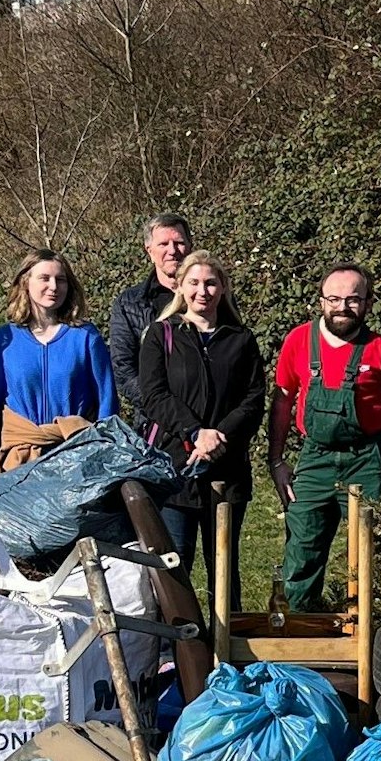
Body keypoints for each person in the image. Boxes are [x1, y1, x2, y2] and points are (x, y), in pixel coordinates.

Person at [268, 263, 381, 610]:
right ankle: (298, 631)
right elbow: (282, 402)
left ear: (368, 303)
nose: (342, 307)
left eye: (353, 299)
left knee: (369, 553)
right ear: (322, 301)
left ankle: (368, 631)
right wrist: (276, 461)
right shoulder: (298, 341)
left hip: (367, 459)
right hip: (315, 458)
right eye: (333, 298)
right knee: (301, 549)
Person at [137, 250, 265, 607]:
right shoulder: (161, 335)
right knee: (174, 565)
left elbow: (254, 399)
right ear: (180, 287)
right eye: (194, 283)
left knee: (224, 567)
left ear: (222, 288)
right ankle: (173, 654)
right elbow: (154, 396)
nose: (202, 291)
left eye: (211, 282)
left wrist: (218, 436)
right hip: (175, 470)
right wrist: (195, 432)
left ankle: (228, 650)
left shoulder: (241, 339)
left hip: (228, 470)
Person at [0, 250, 117, 475]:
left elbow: (107, 400)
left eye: (60, 279)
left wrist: (104, 450)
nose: (53, 286)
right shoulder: (4, 341)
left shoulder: (84, 337)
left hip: (78, 456)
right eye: (44, 278)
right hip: (20, 461)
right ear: (25, 282)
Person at [109, 213, 192, 429]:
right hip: (156, 427)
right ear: (150, 251)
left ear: (190, 247)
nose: (172, 250)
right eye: (163, 244)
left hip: (212, 425)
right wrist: (166, 410)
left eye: (179, 242)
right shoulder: (129, 304)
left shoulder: (213, 297)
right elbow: (124, 370)